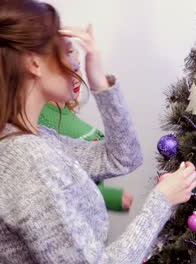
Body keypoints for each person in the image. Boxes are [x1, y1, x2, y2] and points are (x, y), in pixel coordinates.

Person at [0, 0, 196, 263]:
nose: (77, 65)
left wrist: (100, 83)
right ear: (33, 63)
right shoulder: (26, 158)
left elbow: (123, 157)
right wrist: (162, 202)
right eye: (67, 51)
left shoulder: (31, 139)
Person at [39, 41, 133, 212]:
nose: (77, 76)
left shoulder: (65, 114)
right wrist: (110, 198)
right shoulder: (42, 121)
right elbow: (55, 187)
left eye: (77, 67)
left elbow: (126, 157)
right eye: (66, 68)